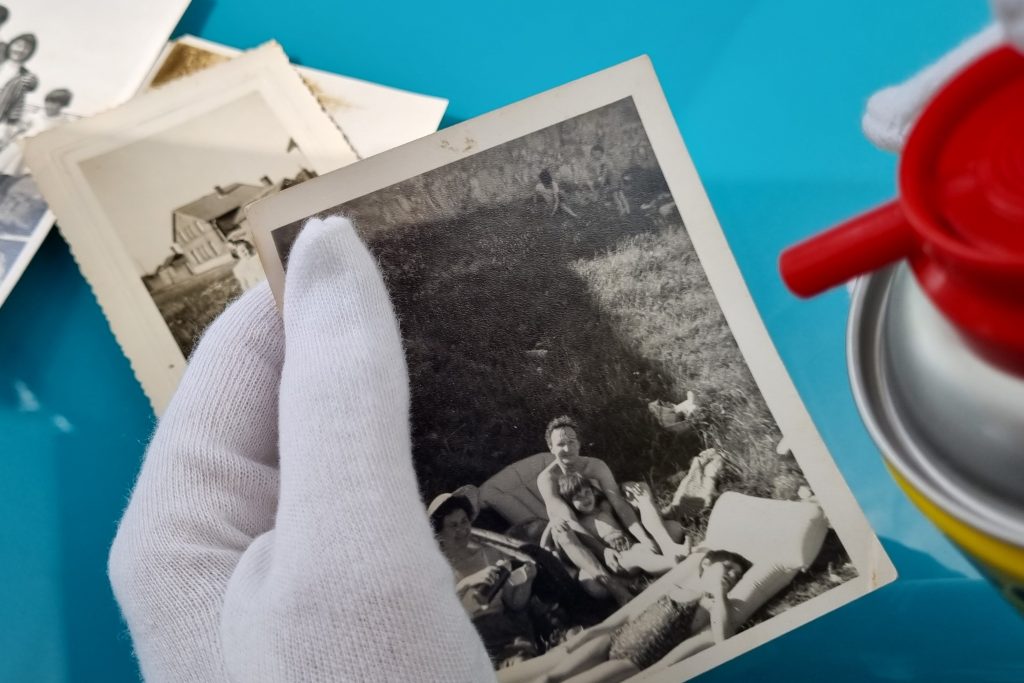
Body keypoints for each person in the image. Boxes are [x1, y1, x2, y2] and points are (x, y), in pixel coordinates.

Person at [105, 9, 1024, 679]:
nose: (562, 450)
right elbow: (573, 526)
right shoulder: (535, 500)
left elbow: (608, 504)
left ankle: (677, 573)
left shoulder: (564, 479)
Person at [497, 549, 751, 683]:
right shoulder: (676, 587)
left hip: (634, 659)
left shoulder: (713, 605)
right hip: (613, 639)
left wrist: (719, 593)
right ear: (706, 564)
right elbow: (628, 617)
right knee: (548, 678)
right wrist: (581, 640)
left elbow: (724, 640)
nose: (731, 575)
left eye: (736, 575)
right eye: (727, 567)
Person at [537, 416, 689, 603]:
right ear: (551, 448)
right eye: (560, 444)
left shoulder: (595, 466)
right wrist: (603, 552)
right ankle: (615, 585)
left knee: (647, 498)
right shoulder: (547, 479)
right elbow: (570, 520)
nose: (567, 449)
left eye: (571, 442)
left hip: (618, 536)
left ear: (579, 443)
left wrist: (644, 539)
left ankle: (665, 547)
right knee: (562, 531)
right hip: (587, 549)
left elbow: (619, 504)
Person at [428, 489, 540, 668]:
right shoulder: (436, 568)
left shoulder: (489, 554)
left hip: (505, 627)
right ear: (439, 532)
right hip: (470, 637)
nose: (462, 530)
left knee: (524, 662)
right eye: (453, 525)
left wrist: (527, 581)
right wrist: (469, 581)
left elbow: (514, 603)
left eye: (464, 521)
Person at [555, 472, 689, 578]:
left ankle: (665, 558)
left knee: (674, 528)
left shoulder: (605, 506)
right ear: (569, 502)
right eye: (578, 497)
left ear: (593, 491)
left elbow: (618, 497)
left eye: (587, 492)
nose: (585, 499)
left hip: (632, 545)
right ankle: (671, 562)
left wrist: (627, 487)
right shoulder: (580, 523)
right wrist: (555, 522)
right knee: (639, 557)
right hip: (619, 559)